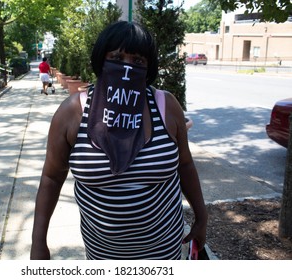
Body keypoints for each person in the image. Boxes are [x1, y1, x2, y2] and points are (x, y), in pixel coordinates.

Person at [30, 21, 207, 260]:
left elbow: (185, 164)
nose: (127, 67)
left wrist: (202, 217)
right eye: (116, 57)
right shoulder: (72, 112)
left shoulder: (166, 106)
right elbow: (51, 177)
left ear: (149, 66)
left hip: (164, 251)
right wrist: (38, 243)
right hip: (103, 255)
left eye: (138, 61)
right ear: (101, 60)